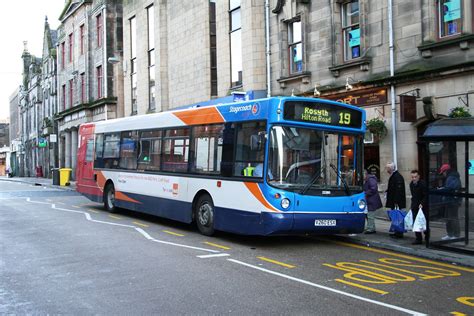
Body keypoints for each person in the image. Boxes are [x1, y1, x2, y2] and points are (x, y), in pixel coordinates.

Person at [438, 163, 461, 240]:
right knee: (448, 218)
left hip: (452, 201)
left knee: (453, 218)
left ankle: (455, 234)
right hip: (449, 201)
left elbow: (450, 189)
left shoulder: (452, 177)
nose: (443, 174)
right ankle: (450, 234)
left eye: (443, 172)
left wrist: (442, 190)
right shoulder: (451, 177)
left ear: (446, 171)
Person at [385, 162, 406, 238]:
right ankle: (396, 231)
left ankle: (399, 233)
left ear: (391, 169)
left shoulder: (397, 177)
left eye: (387, 168)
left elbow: (398, 190)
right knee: (395, 217)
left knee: (398, 217)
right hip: (394, 201)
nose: (386, 170)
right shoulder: (394, 176)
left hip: (397, 202)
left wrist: (396, 201)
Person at [409, 170, 427, 245]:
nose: (414, 179)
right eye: (412, 177)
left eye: (415, 177)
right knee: (415, 223)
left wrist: (422, 203)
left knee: (424, 222)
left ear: (418, 177)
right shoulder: (411, 184)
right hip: (415, 205)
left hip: (423, 206)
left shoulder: (423, 184)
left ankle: (427, 235)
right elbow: (413, 195)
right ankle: (418, 238)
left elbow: (426, 195)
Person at [363, 169, 382, 234]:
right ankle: (371, 228)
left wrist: (365, 193)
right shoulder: (367, 179)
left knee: (370, 215)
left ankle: (370, 229)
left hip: (372, 200)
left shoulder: (370, 179)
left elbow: (373, 189)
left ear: (365, 174)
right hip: (369, 200)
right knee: (368, 214)